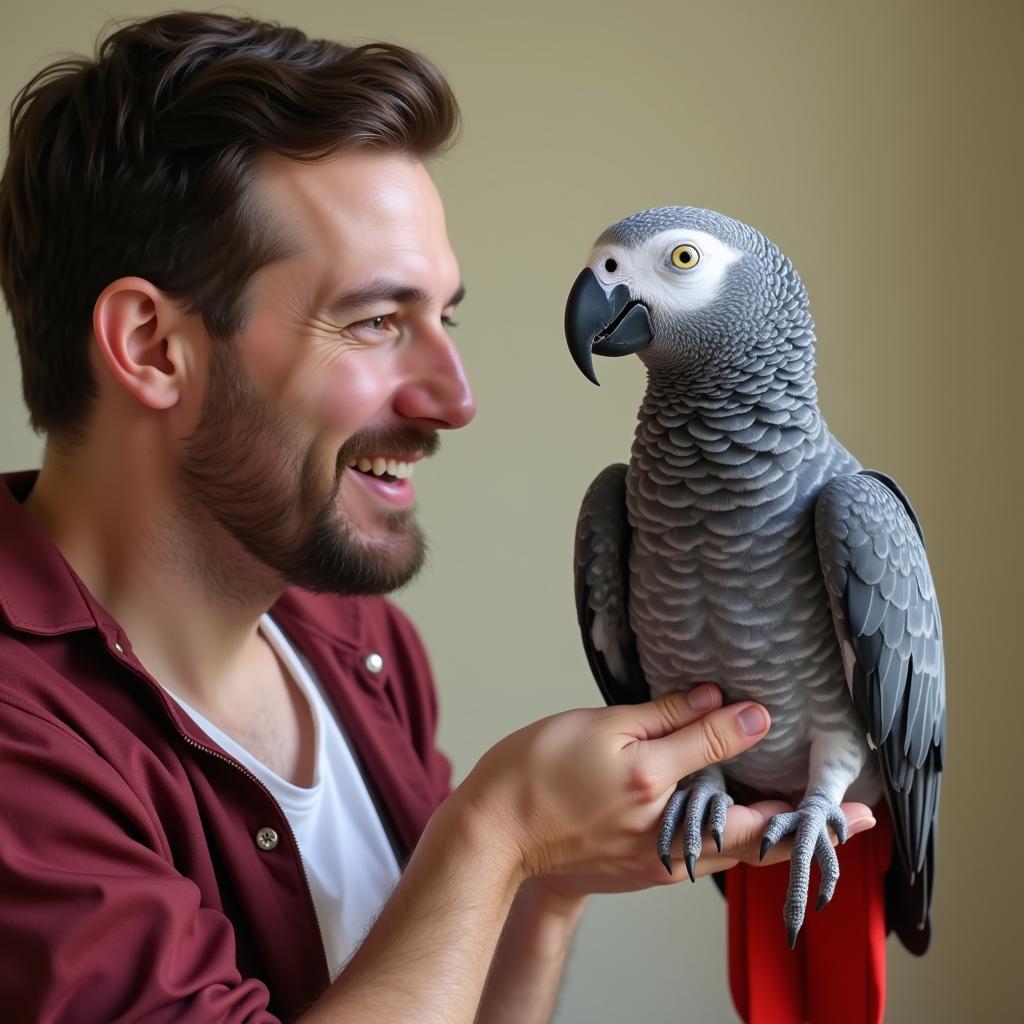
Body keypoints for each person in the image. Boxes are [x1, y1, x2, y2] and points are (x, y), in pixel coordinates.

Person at [0, 12, 874, 1023]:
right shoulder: (24, 742)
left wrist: (545, 885)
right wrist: (498, 830)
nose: (455, 397)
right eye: (376, 321)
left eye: (441, 318)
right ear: (152, 348)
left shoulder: (354, 640)